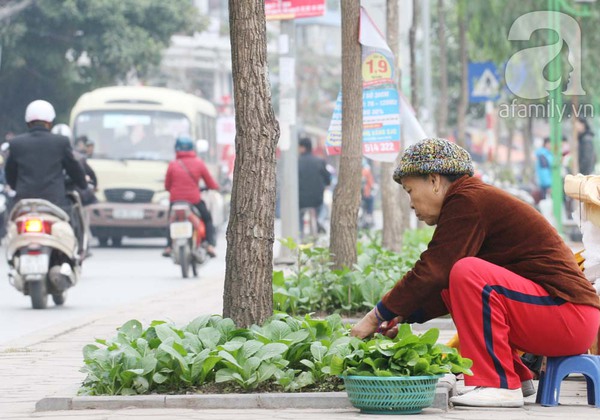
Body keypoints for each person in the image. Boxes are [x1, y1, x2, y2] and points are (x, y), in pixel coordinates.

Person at [350, 138, 600, 408]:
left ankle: (499, 384)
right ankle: (515, 375)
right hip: (566, 317)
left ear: (434, 181)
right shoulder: (470, 199)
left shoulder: (467, 200)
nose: (411, 203)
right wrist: (402, 314)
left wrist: (377, 315)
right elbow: (443, 282)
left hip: (570, 317)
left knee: (467, 271)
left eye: (410, 190)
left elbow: (432, 269)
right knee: (455, 279)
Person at [5, 100, 89, 255]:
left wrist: (17, 187)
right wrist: (83, 184)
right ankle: (75, 255)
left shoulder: (16, 143)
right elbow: (74, 169)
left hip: (24, 203)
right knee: (70, 226)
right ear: (50, 122)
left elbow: (10, 175)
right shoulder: (61, 142)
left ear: (28, 122)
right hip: (55, 203)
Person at [163, 136, 219, 258]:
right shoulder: (199, 163)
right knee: (207, 219)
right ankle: (210, 245)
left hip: (175, 200)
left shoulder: (173, 164)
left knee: (171, 221)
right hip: (194, 200)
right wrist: (214, 187)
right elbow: (210, 183)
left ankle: (168, 246)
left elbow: (167, 185)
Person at [298, 137, 331, 235]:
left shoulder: (297, 162)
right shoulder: (319, 161)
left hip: (301, 200)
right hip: (317, 199)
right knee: (323, 208)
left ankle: (300, 234)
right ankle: (320, 220)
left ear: (302, 148)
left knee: (299, 215)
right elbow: (328, 179)